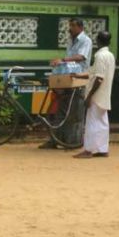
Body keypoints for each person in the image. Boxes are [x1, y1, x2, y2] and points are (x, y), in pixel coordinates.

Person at [40, 18, 93, 149]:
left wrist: (62, 60)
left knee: (74, 112)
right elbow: (68, 62)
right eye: (70, 26)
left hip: (78, 79)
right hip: (67, 78)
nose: (70, 29)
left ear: (80, 27)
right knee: (61, 110)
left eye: (73, 26)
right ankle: (55, 140)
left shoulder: (86, 40)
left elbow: (81, 57)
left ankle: (72, 142)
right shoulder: (71, 40)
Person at [74, 30, 116, 159]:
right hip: (105, 94)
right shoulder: (110, 55)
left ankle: (88, 150)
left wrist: (89, 96)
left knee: (92, 122)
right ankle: (103, 149)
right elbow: (94, 73)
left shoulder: (100, 56)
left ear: (98, 41)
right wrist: (78, 75)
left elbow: (99, 78)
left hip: (97, 95)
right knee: (102, 122)